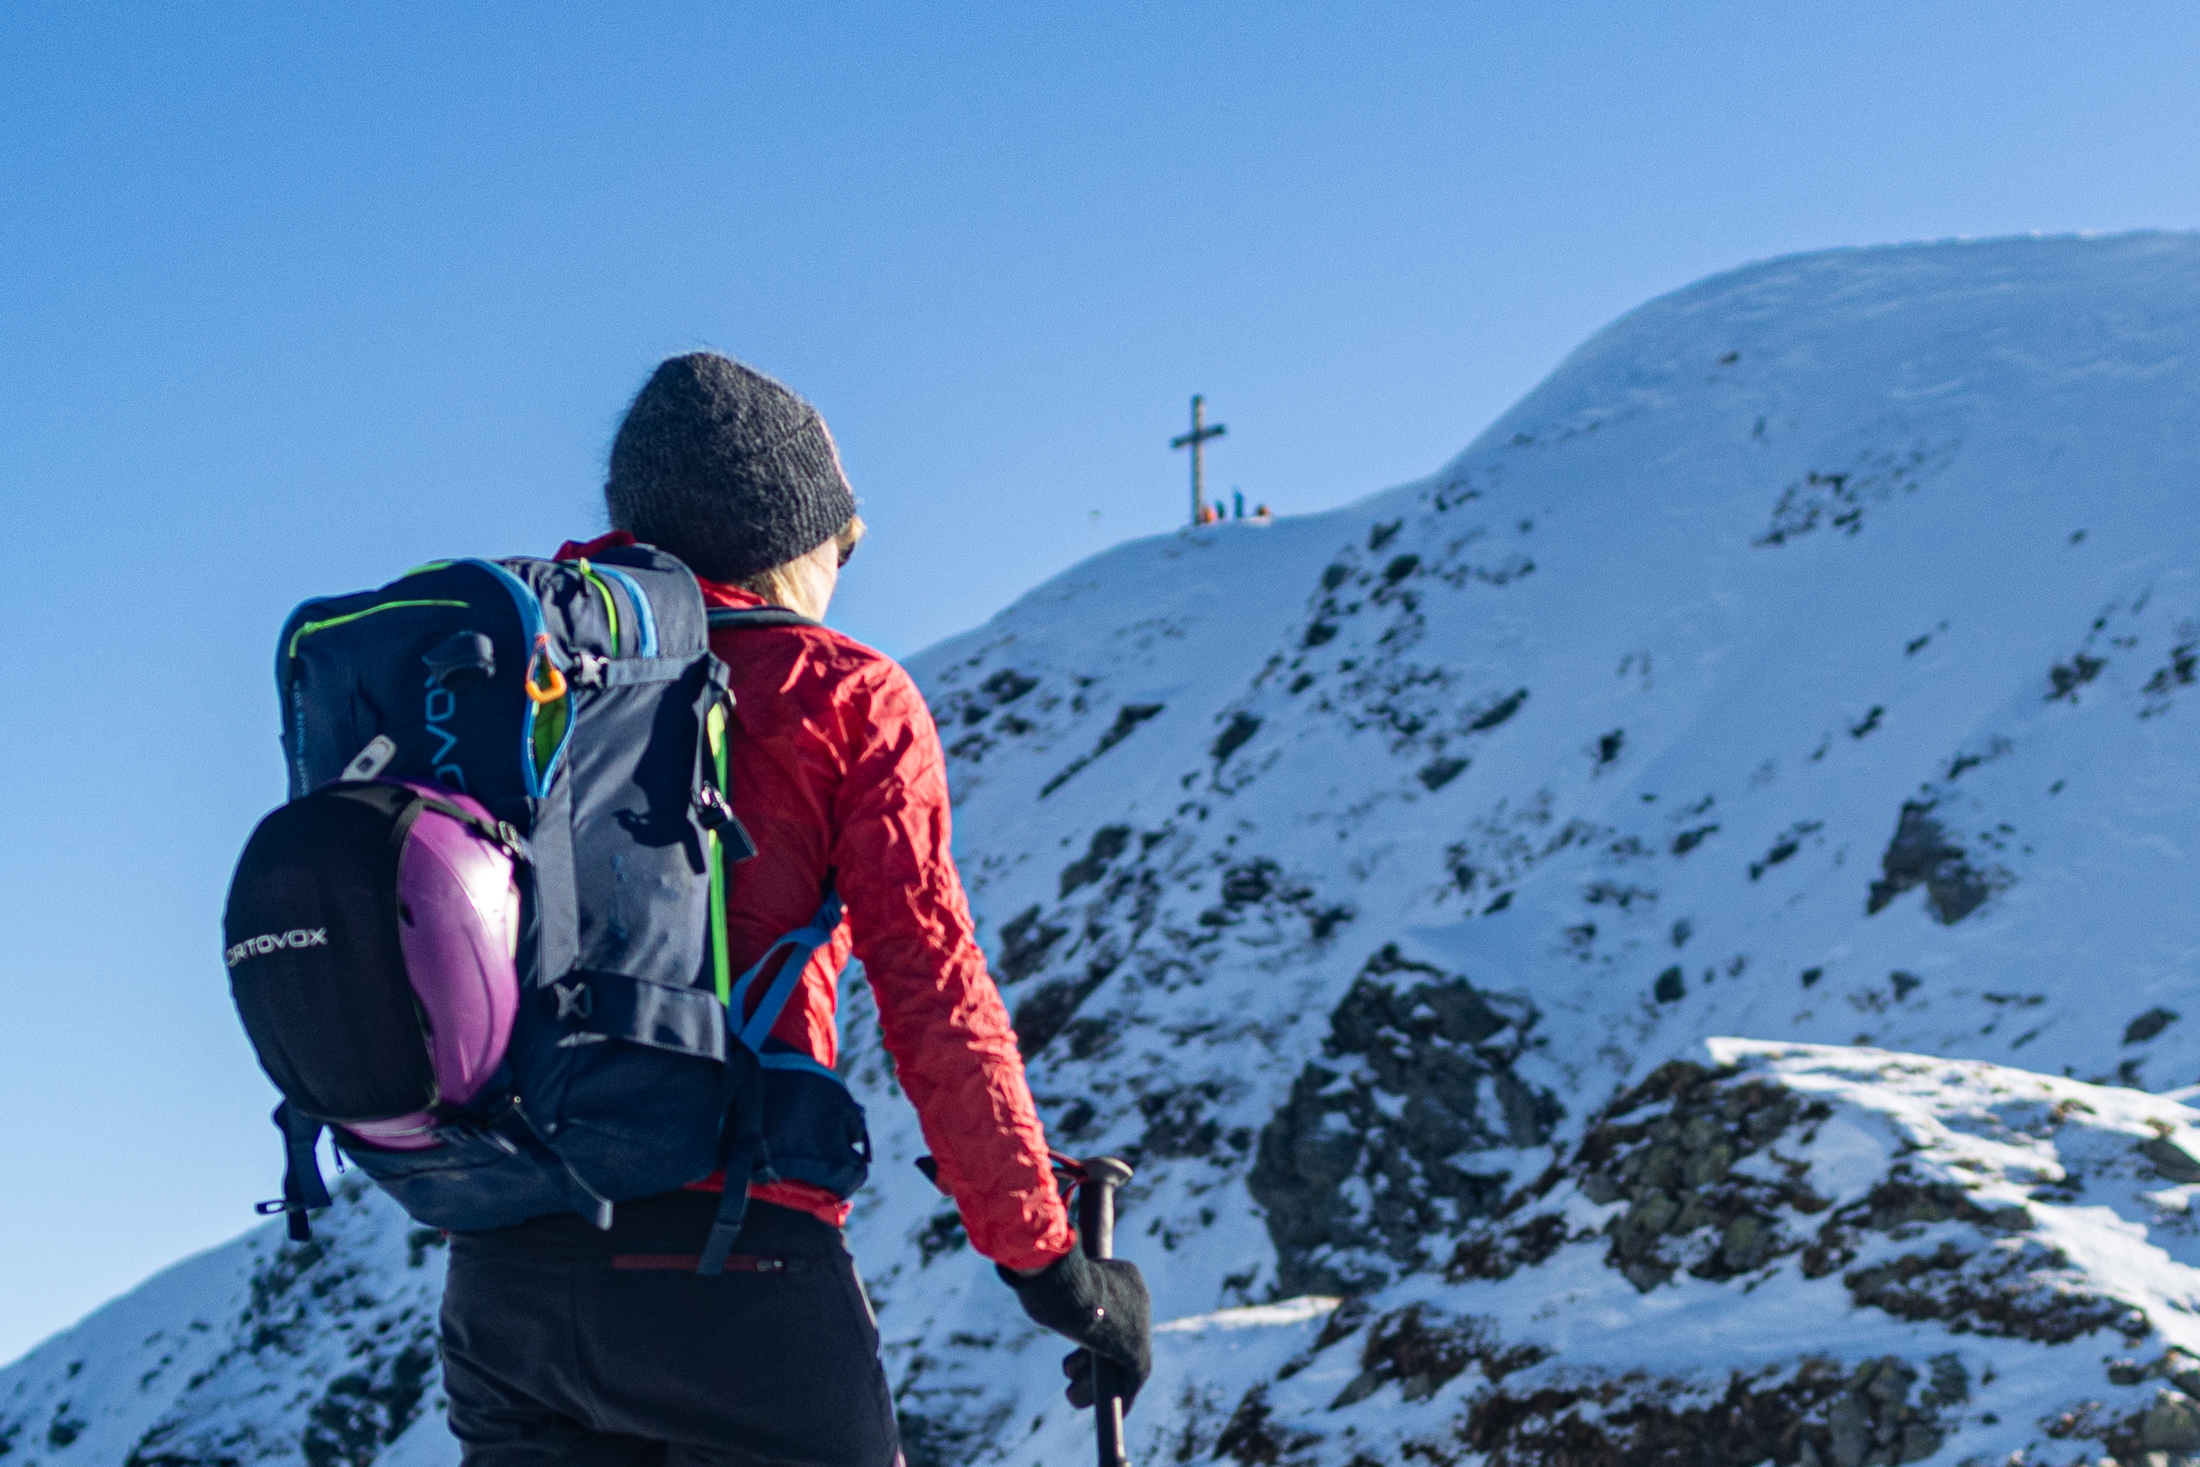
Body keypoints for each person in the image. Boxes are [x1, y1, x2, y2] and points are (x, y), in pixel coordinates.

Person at [437, 353, 1151, 1467]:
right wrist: (1054, 1268)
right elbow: (933, 996)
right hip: (737, 1271)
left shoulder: (510, 682)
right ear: (783, 542)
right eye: (841, 544)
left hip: (506, 1284)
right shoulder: (840, 694)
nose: (842, 572)